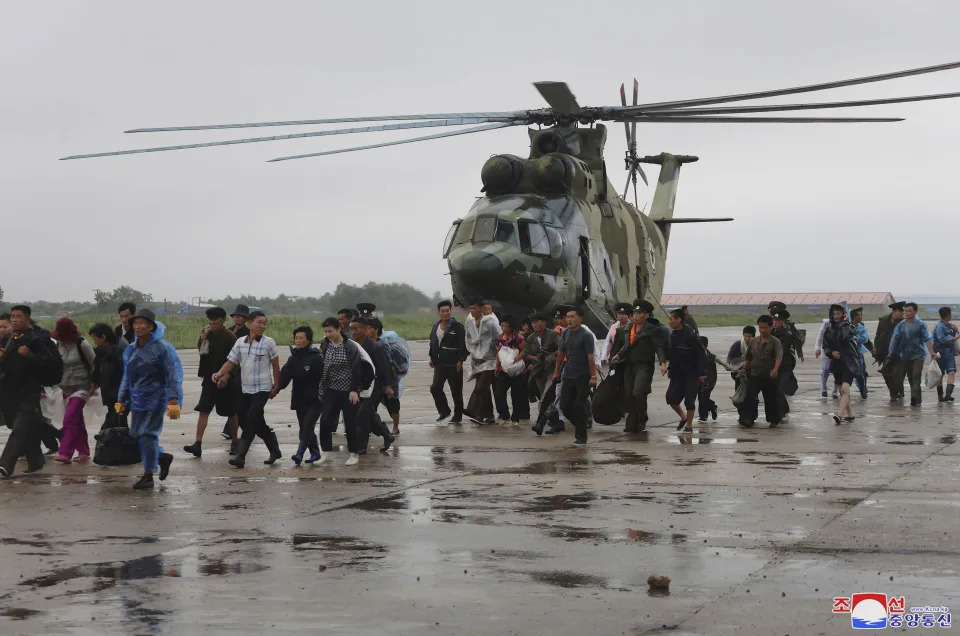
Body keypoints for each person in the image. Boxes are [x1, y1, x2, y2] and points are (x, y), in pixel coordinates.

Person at [115, 309, 181, 489]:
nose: (138, 327)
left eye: (142, 323)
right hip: (137, 399)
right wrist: (121, 399)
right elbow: (127, 377)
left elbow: (172, 375)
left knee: (147, 434)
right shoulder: (131, 349)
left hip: (156, 397)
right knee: (136, 435)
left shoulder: (162, 349)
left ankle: (148, 474)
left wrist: (173, 399)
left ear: (151, 326)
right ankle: (161, 457)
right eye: (135, 323)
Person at [214, 311, 283, 468]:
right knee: (250, 421)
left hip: (263, 388)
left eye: (264, 323)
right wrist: (219, 374)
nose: (262, 326)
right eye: (259, 322)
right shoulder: (240, 342)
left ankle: (241, 456)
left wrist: (276, 386)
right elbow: (231, 361)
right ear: (250, 323)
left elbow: (276, 365)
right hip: (245, 389)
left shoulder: (268, 342)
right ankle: (274, 449)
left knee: (252, 419)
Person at [0, 305, 55, 477]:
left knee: (20, 427)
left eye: (19, 317)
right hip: (9, 392)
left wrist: (29, 355)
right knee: (26, 427)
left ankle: (5, 465)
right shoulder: (8, 339)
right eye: (13, 317)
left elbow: (47, 361)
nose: (15, 320)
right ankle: (36, 459)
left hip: (29, 392)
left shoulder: (34, 339)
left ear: (27, 319)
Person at [184, 307, 239, 458]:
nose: (213, 323)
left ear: (222, 321)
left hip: (225, 379)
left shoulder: (230, 337)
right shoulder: (206, 333)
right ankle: (198, 443)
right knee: (204, 409)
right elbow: (202, 351)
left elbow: (235, 360)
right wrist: (202, 339)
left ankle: (235, 442)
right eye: (211, 320)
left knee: (231, 412)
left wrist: (226, 376)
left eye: (216, 320)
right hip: (209, 378)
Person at [316, 317, 370, 466]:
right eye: (326, 331)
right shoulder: (325, 344)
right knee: (325, 421)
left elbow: (356, 369)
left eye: (330, 331)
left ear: (339, 329)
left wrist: (354, 390)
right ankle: (326, 452)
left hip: (348, 391)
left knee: (351, 423)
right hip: (331, 390)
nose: (328, 334)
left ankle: (354, 453)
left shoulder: (350, 346)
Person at [610, 300, 667, 433]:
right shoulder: (629, 329)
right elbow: (626, 345)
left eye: (639, 313)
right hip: (629, 365)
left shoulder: (652, 330)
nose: (635, 316)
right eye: (634, 313)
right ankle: (632, 422)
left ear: (646, 315)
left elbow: (659, 347)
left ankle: (642, 417)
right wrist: (618, 354)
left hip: (644, 366)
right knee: (628, 394)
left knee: (638, 392)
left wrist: (663, 363)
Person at [51, 318, 96, 464]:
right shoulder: (57, 345)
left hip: (82, 386)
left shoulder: (82, 344)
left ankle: (65, 452)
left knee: (69, 418)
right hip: (65, 387)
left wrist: (94, 385)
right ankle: (83, 452)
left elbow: (94, 364)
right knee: (77, 419)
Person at [276, 325, 324, 464]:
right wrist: (273, 390)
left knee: (308, 425)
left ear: (308, 340)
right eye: (296, 338)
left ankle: (299, 454)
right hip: (299, 399)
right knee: (304, 427)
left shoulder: (316, 358)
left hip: (316, 400)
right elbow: (283, 379)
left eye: (301, 338)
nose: (297, 341)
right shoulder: (293, 359)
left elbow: (325, 378)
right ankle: (315, 453)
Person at [350, 317, 396, 453]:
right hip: (360, 386)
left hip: (374, 386)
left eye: (355, 329)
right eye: (351, 329)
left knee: (362, 415)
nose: (352, 332)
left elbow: (384, 367)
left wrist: (388, 386)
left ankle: (361, 446)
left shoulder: (375, 346)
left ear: (364, 330)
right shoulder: (353, 346)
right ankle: (386, 435)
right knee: (368, 415)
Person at [553, 307, 597, 446]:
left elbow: (591, 357)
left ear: (580, 319)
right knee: (565, 406)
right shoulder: (565, 333)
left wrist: (593, 376)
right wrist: (557, 371)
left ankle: (581, 437)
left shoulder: (586, 335)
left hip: (583, 376)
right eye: (568, 317)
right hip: (568, 375)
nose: (569, 319)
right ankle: (581, 425)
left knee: (579, 406)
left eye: (572, 317)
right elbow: (561, 353)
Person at [665, 309, 707, 433]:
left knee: (690, 399)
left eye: (671, 319)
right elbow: (673, 354)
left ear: (679, 320)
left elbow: (700, 354)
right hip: (677, 372)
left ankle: (689, 425)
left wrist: (702, 373)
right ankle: (683, 417)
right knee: (671, 398)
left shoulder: (690, 335)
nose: (669, 322)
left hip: (690, 372)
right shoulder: (673, 334)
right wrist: (670, 369)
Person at [889, 302, 937, 406]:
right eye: (905, 311)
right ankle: (915, 396)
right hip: (905, 354)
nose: (907, 313)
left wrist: (932, 352)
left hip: (918, 354)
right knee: (910, 377)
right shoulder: (901, 325)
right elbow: (895, 339)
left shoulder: (920, 324)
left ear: (915, 311)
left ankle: (914, 398)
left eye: (910, 311)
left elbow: (927, 339)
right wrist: (891, 352)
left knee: (916, 375)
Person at [428, 300, 467, 423]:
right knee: (435, 388)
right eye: (442, 311)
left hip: (454, 363)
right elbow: (433, 343)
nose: (445, 313)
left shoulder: (458, 326)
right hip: (440, 363)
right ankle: (444, 411)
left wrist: (461, 360)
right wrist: (432, 357)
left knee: (456, 391)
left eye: (447, 311)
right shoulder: (436, 326)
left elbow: (463, 345)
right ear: (439, 312)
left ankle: (458, 415)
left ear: (451, 311)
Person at [365, 318, 405, 435]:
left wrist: (389, 384)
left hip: (388, 378)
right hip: (374, 380)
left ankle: (395, 427)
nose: (367, 331)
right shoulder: (366, 344)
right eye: (366, 328)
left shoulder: (382, 344)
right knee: (371, 406)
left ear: (376, 329)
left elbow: (387, 364)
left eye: (370, 328)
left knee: (392, 404)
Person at [741, 315, 782, 428]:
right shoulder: (753, 341)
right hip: (754, 374)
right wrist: (743, 368)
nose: (762, 330)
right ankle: (748, 419)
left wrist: (775, 369)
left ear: (770, 327)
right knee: (750, 396)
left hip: (769, 375)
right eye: (760, 328)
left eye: (765, 327)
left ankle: (774, 420)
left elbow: (778, 357)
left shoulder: (775, 342)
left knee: (771, 399)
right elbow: (748, 357)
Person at [821, 304, 860, 424]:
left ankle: (839, 414)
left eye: (838, 314)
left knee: (844, 389)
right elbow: (825, 346)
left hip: (849, 363)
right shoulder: (828, 329)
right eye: (834, 314)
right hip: (836, 363)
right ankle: (851, 414)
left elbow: (846, 336)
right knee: (842, 391)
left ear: (843, 315)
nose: (836, 316)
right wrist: (831, 353)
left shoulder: (848, 327)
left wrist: (844, 323)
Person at [464, 299, 501, 425]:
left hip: (490, 359)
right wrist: (473, 345)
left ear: (481, 309)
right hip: (477, 359)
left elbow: (499, 338)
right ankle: (489, 416)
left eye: (474, 308)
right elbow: (468, 336)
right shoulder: (469, 320)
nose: (472, 311)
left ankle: (477, 413)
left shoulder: (491, 322)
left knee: (481, 387)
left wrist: (499, 358)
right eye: (470, 308)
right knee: (484, 390)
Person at [88, 323, 128, 430]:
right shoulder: (102, 350)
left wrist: (123, 397)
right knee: (118, 426)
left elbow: (126, 374)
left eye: (95, 339)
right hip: (110, 397)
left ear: (104, 337)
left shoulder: (120, 350)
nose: (94, 342)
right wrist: (93, 387)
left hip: (120, 397)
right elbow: (97, 371)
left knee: (111, 428)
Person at [493, 315, 529, 426]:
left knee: (516, 395)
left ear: (512, 327)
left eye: (506, 326)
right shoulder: (499, 338)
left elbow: (525, 350)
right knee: (499, 393)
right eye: (502, 325)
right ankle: (504, 415)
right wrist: (497, 366)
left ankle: (515, 418)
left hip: (517, 371)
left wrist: (516, 359)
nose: (504, 328)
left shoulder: (518, 337)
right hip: (503, 369)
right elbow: (498, 352)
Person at [771, 309, 803, 418]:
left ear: (783, 321)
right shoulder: (770, 332)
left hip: (785, 366)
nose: (775, 322)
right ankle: (784, 408)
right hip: (774, 365)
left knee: (780, 388)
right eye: (774, 320)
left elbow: (780, 351)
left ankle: (780, 413)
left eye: (778, 320)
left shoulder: (787, 335)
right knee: (774, 389)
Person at [698, 336, 735, 422]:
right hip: (698, 381)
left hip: (710, 381)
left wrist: (728, 367)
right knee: (700, 398)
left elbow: (721, 362)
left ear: (706, 346)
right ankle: (712, 407)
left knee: (703, 398)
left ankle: (703, 416)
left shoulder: (711, 357)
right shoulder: (695, 356)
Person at [874, 301, 906, 401]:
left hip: (898, 353)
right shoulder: (883, 320)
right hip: (884, 352)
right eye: (901, 313)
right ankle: (893, 393)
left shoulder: (903, 323)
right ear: (895, 312)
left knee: (897, 374)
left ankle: (899, 390)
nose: (903, 315)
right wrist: (876, 348)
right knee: (886, 373)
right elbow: (878, 335)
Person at [932, 307, 959, 402]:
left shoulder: (950, 325)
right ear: (948, 315)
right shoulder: (939, 326)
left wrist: (956, 329)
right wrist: (954, 338)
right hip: (939, 353)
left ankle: (948, 395)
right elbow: (941, 339)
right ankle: (940, 395)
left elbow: (956, 334)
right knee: (940, 374)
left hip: (949, 353)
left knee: (951, 372)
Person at [849, 308, 871, 399]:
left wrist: (854, 337)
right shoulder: (846, 326)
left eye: (861, 315)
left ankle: (862, 389)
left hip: (858, 353)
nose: (861, 317)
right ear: (854, 316)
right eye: (859, 315)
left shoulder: (861, 328)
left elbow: (865, 339)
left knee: (860, 374)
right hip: (848, 353)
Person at [814, 316, 838, 399]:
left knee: (837, 372)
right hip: (826, 349)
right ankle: (824, 388)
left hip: (839, 351)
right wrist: (817, 348)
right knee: (825, 369)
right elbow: (820, 335)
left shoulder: (845, 322)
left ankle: (835, 391)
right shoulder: (827, 323)